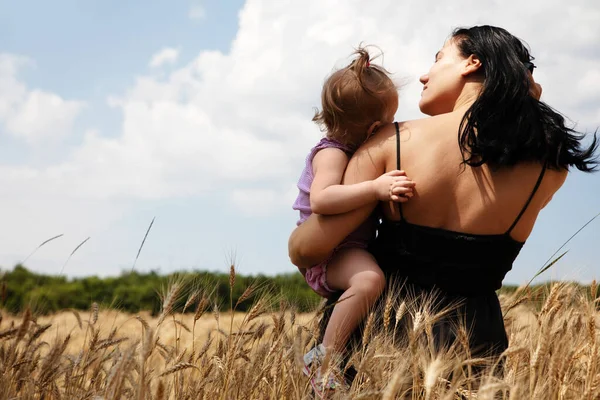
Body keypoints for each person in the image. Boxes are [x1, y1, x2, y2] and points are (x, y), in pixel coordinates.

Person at [289, 25, 598, 374]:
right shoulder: (549, 166)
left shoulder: (392, 141)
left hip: (380, 346)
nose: (425, 74)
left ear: (471, 63)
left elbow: (308, 249)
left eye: (438, 58)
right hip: (475, 348)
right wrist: (524, 97)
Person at [291, 47, 415, 394]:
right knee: (369, 280)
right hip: (331, 252)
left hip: (348, 245)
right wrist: (375, 188)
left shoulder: (350, 152)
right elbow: (322, 199)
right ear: (375, 127)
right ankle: (323, 360)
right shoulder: (331, 153)